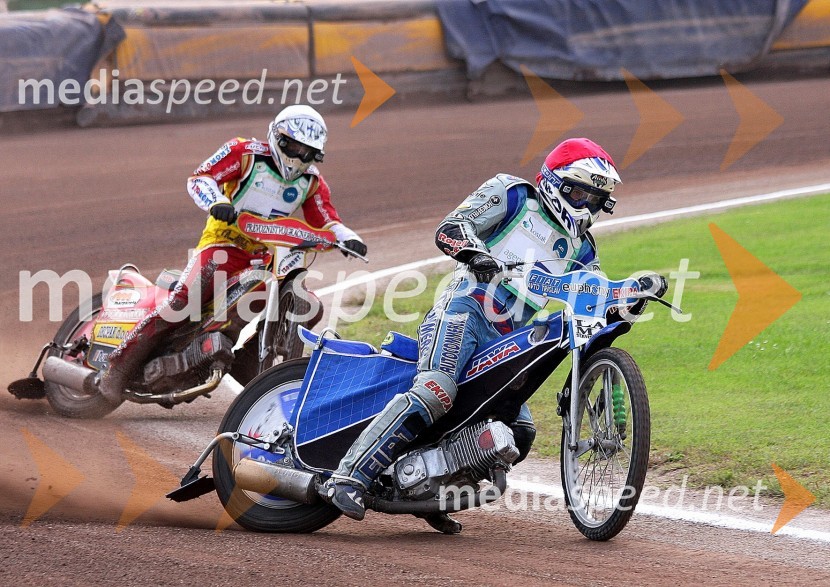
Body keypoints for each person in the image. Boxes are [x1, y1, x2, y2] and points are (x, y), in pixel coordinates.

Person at [321, 138, 666, 533]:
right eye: (581, 192)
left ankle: (431, 492)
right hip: (464, 310)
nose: (586, 205)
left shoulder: (583, 250)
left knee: (519, 431)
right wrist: (475, 254)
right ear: (557, 183)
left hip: (508, 342)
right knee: (436, 391)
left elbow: (593, 298)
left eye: (596, 197)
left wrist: (629, 299)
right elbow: (451, 227)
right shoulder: (514, 194)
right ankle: (347, 477)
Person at [99, 105, 367, 404]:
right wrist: (216, 202)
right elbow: (201, 178)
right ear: (276, 137)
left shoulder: (311, 181)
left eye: (306, 151)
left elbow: (327, 219)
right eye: (292, 145)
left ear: (316, 154)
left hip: (266, 258)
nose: (297, 155)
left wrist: (349, 239)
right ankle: (117, 367)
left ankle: (246, 364)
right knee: (183, 301)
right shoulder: (244, 152)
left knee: (308, 306)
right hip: (222, 245)